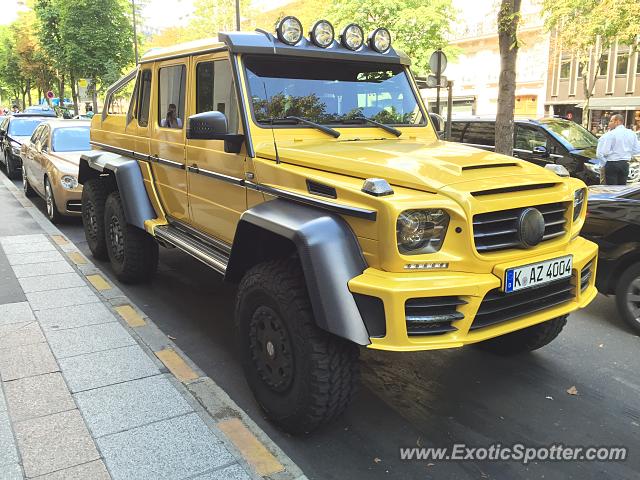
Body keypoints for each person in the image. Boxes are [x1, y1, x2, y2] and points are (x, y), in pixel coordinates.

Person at [596, 114, 640, 185]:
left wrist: (605, 162)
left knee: (611, 189)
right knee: (622, 188)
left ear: (617, 122)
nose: (609, 123)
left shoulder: (611, 134)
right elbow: (637, 150)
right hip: (625, 164)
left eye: (611, 121)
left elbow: (604, 152)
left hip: (612, 163)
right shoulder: (632, 133)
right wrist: (627, 154)